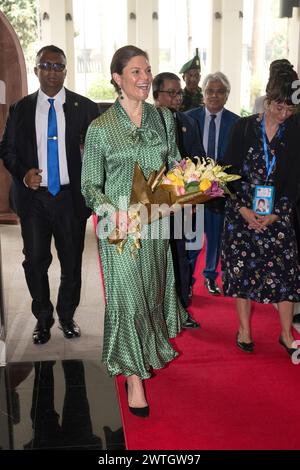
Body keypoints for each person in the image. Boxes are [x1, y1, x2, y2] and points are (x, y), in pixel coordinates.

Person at [81, 45, 188, 417]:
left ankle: (146, 349)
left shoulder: (163, 119)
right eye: (136, 73)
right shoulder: (100, 129)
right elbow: (90, 186)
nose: (145, 79)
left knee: (150, 289)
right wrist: (115, 211)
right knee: (127, 296)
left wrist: (192, 178)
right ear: (117, 78)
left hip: (156, 219)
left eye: (147, 71)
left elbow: (173, 164)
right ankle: (133, 378)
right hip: (118, 226)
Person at [0, 45, 99, 345]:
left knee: (71, 263)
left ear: (66, 71)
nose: (52, 71)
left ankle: (66, 316)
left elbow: (98, 153)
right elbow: (7, 149)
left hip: (70, 199)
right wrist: (23, 172)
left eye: (59, 66)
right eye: (46, 65)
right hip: (34, 201)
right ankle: (43, 318)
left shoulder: (86, 108)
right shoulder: (21, 109)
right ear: (36, 70)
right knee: (35, 261)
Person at [221, 67, 300, 357]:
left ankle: (285, 333)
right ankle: (244, 330)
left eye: (290, 108)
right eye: (279, 106)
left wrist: (278, 213)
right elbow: (226, 173)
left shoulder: (295, 131)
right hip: (243, 215)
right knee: (242, 273)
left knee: (286, 276)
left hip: (277, 215)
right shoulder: (243, 128)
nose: (284, 113)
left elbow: (295, 180)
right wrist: (241, 209)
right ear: (267, 100)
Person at [153, 71, 206, 327]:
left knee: (180, 254)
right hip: (151, 205)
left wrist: (194, 199)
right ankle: (156, 311)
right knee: (156, 257)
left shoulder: (188, 122)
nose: (176, 98)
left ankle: (182, 308)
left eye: (179, 93)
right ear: (156, 96)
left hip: (181, 203)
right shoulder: (143, 122)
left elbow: (198, 161)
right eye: (171, 93)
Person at [187, 72, 240, 295]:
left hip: (221, 188)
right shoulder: (188, 118)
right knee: (192, 235)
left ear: (227, 96)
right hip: (193, 187)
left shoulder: (237, 123)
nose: (214, 96)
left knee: (216, 234)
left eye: (220, 92)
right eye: (210, 91)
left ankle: (210, 276)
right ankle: (187, 279)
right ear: (203, 93)